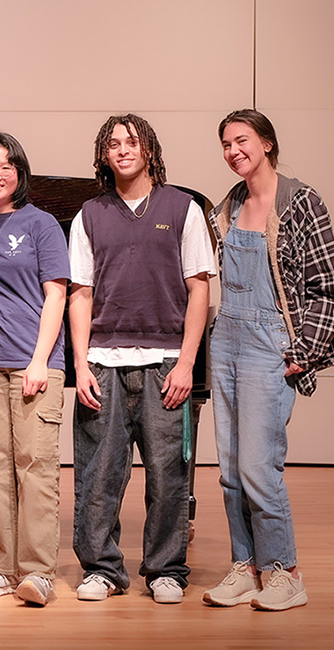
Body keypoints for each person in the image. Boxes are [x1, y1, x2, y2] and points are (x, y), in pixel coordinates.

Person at [202, 109, 334, 612]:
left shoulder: (302, 203)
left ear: (266, 143)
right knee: (230, 470)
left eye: (241, 140)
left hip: (271, 345)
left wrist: (304, 352)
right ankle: (247, 566)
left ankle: (285, 572)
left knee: (260, 467)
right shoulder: (229, 205)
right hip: (227, 343)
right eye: (225, 143)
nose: (233, 151)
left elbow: (331, 291)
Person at [68, 114, 214, 605]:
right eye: (113, 144)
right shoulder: (89, 214)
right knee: (97, 474)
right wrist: (81, 364)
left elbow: (199, 290)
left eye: (131, 142)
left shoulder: (183, 208)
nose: (122, 150)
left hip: (166, 363)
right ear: (103, 155)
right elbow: (80, 295)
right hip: (103, 365)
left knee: (169, 474)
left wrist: (187, 363)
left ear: (148, 149)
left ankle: (166, 569)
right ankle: (101, 569)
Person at [0, 133, 70, 607]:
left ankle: (39, 573)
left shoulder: (42, 224)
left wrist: (40, 360)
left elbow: (57, 294)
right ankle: (3, 568)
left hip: (36, 365)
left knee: (36, 468)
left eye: (5, 166)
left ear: (20, 173)